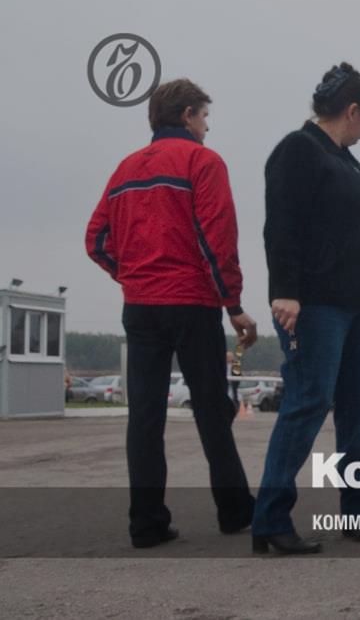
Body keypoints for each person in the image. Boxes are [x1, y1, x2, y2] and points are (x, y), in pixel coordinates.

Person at [84, 79, 259, 548]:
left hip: (140, 307)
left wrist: (132, 275)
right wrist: (233, 304)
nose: (207, 127)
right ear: (186, 115)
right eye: (204, 116)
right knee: (212, 409)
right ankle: (235, 511)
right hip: (192, 303)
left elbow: (96, 240)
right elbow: (216, 238)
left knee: (144, 417)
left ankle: (146, 524)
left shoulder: (124, 169)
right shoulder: (203, 161)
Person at [253, 62, 360, 555]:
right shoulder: (298, 150)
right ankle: (270, 520)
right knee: (308, 401)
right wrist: (284, 291)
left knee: (359, 405)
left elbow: (339, 220)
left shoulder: (344, 159)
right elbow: (282, 226)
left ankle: (357, 511)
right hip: (318, 306)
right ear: (352, 110)